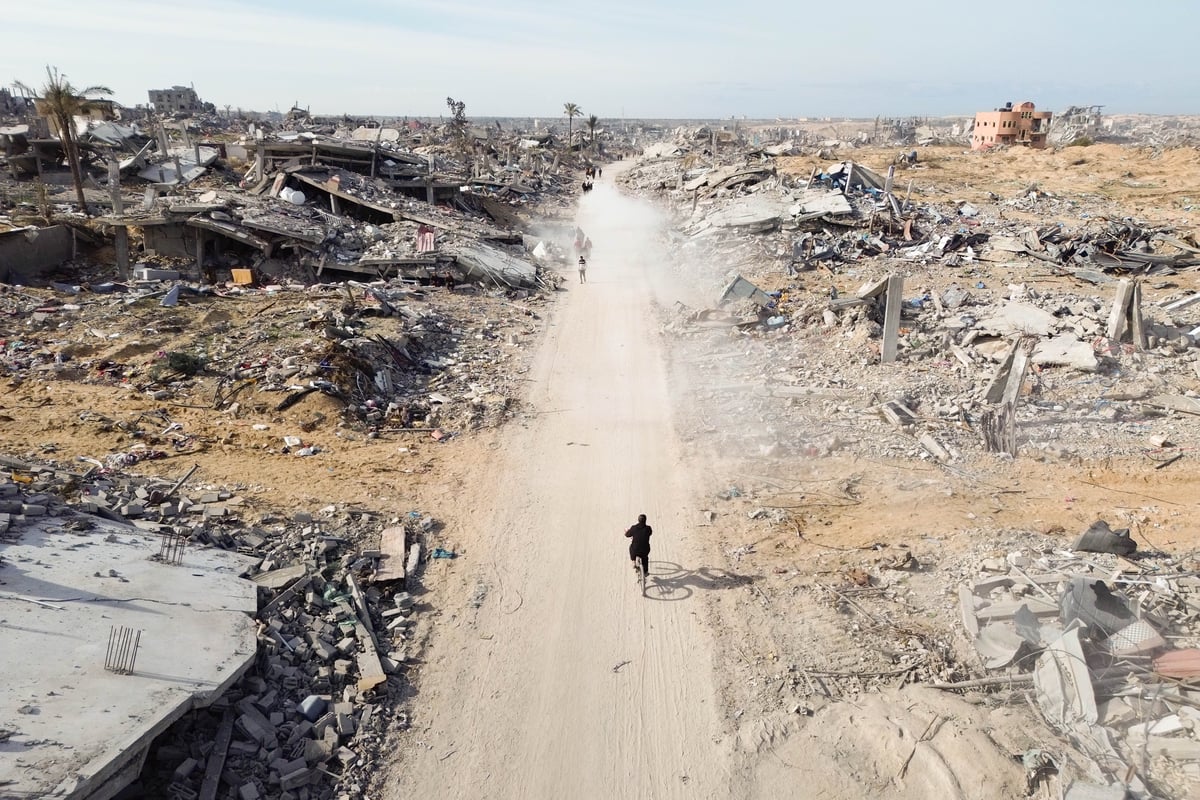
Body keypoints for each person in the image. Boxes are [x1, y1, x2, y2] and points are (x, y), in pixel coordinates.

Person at [624, 514, 652, 582]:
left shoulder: (634, 528)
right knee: (645, 558)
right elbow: (650, 533)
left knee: (631, 547)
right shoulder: (648, 528)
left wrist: (626, 532)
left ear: (638, 520)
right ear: (645, 520)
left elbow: (627, 535)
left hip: (635, 550)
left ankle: (633, 560)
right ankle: (645, 572)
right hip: (645, 550)